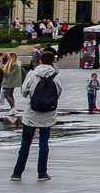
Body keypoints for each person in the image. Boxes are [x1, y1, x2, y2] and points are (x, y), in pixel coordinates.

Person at [9, 48, 63, 183]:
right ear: (53, 62)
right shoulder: (57, 76)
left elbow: (24, 92)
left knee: (25, 143)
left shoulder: (32, 75)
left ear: (40, 61)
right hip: (47, 116)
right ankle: (42, 173)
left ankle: (17, 173)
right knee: (44, 143)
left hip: (31, 114)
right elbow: (58, 94)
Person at [1, 49, 25, 116]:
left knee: (7, 95)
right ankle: (12, 108)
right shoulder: (13, 64)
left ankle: (13, 108)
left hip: (9, 82)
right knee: (10, 95)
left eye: (8, 56)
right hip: (10, 82)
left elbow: (6, 73)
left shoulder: (13, 64)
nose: (7, 57)